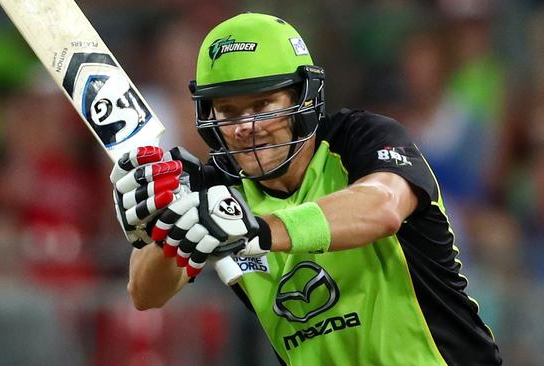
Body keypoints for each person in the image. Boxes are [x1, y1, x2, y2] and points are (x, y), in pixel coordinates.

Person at [110, 13, 502, 365]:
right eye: (228, 111)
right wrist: (159, 226)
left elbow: (381, 206)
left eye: (263, 105)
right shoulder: (219, 191)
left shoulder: (360, 139)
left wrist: (256, 230)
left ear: (304, 98)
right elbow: (145, 292)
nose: (247, 127)